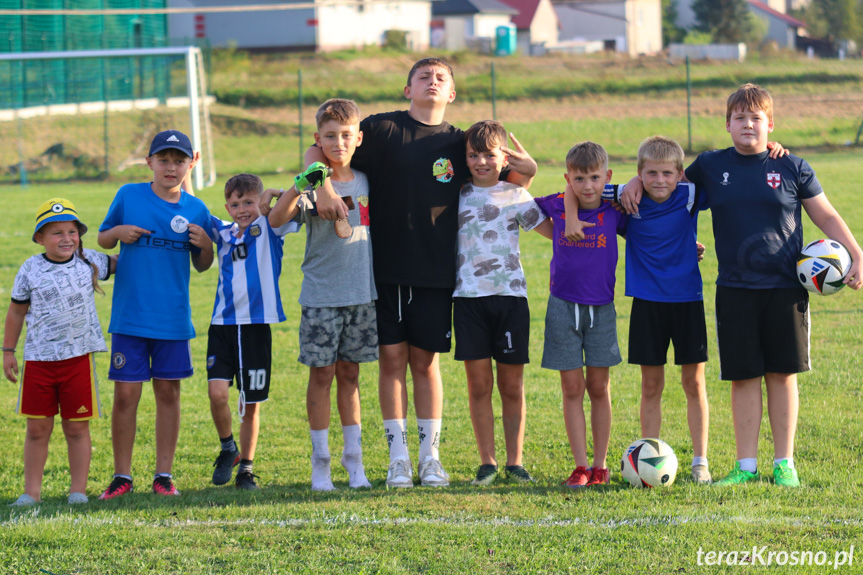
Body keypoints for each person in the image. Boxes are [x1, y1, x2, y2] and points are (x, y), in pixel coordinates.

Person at [307, 57, 537, 488]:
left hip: (436, 272)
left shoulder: (461, 143)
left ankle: (430, 458)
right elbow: (316, 148)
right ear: (407, 89)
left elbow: (513, 174)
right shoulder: (381, 130)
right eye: (423, 76)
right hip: (384, 270)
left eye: (441, 78)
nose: (432, 81)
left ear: (452, 93)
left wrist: (532, 168)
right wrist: (321, 185)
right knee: (392, 361)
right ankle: (398, 459)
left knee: (426, 363)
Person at [619, 84, 863, 487]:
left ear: (770, 123)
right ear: (727, 124)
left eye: (756, 118)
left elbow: (828, 216)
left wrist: (856, 252)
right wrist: (632, 180)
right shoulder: (711, 166)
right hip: (734, 288)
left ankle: (784, 463)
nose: (747, 124)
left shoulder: (793, 166)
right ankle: (745, 465)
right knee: (744, 376)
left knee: (783, 374)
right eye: (739, 118)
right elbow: (664, 177)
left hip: (785, 288)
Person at [265, 98, 376, 491]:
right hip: (320, 297)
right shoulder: (312, 180)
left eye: (346, 135)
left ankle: (354, 461)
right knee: (322, 376)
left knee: (351, 376)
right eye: (330, 136)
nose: (339, 142)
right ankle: (321, 463)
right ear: (318, 139)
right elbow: (276, 220)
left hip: (363, 295)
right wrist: (299, 185)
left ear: (358, 138)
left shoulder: (368, 180)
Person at [97, 129, 214, 499]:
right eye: (163, 159)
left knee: (168, 393)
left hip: (173, 319)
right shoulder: (128, 195)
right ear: (149, 162)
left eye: (179, 160)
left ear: (191, 162)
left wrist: (206, 244)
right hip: (131, 317)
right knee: (126, 395)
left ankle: (164, 475)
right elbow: (102, 239)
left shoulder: (196, 209)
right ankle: (122, 476)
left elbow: (203, 265)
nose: (171, 167)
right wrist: (119, 230)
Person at [454, 120, 552, 486]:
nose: (481, 161)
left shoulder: (515, 194)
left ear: (504, 156)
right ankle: (487, 462)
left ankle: (515, 462)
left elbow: (556, 233)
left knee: (511, 386)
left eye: (489, 154)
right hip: (468, 301)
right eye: (473, 155)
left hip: (510, 299)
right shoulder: (457, 194)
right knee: (479, 386)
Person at [612, 136, 712, 484]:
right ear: (639, 173)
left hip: (688, 301)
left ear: (680, 174)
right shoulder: (628, 201)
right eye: (650, 173)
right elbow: (585, 187)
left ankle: (701, 461)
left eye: (667, 173)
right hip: (647, 304)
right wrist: (629, 184)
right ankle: (648, 459)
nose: (659, 180)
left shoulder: (691, 196)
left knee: (693, 382)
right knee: (651, 385)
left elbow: (720, 167)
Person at [3, 198, 117, 506]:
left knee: (77, 428)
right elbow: (15, 312)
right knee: (38, 428)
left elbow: (124, 263)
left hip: (78, 361)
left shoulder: (90, 261)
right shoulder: (30, 269)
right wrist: (8, 351)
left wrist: (134, 236)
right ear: (40, 238)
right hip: (39, 361)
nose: (66, 239)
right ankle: (31, 493)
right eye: (56, 233)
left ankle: (78, 491)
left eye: (72, 232)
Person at [535, 141, 627, 488]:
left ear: (608, 177)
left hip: (602, 309)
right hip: (561, 306)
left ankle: (601, 465)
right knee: (571, 388)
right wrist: (564, 223)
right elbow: (523, 211)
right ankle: (580, 465)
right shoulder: (559, 205)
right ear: (567, 178)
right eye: (579, 179)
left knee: (599, 387)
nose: (588, 186)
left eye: (595, 178)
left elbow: (650, 219)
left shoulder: (616, 207)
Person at [206, 173, 298, 491]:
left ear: (259, 200)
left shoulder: (270, 226)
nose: (242, 209)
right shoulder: (222, 231)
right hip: (222, 326)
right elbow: (195, 210)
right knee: (217, 394)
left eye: (248, 202)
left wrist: (274, 195)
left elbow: (296, 206)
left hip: (256, 327)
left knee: (250, 403)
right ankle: (228, 446)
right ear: (227, 207)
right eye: (235, 204)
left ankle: (246, 468)